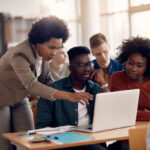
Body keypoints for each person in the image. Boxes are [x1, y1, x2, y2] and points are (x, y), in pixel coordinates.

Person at [0, 16, 93, 150]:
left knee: (27, 142)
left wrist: (72, 90)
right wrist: (68, 96)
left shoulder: (43, 57)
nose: (55, 53)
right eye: (51, 47)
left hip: (19, 98)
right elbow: (32, 85)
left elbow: (49, 82)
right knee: (4, 145)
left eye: (58, 48)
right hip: (1, 99)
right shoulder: (20, 54)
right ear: (38, 42)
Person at [36, 46, 107, 150]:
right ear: (70, 67)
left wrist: (103, 84)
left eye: (89, 64)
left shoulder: (95, 88)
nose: (87, 69)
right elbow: (42, 127)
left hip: (91, 141)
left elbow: (109, 116)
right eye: (81, 65)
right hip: (63, 144)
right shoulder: (52, 91)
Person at [108, 36, 150, 150]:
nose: (133, 69)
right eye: (130, 63)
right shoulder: (117, 78)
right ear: (125, 60)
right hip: (127, 135)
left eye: (139, 65)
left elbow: (128, 113)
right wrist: (145, 113)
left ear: (147, 67)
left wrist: (133, 113)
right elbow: (120, 112)